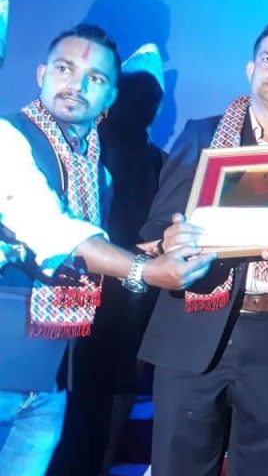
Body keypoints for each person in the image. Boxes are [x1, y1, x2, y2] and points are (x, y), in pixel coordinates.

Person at [0, 24, 214, 476]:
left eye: (94, 78)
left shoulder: (93, 164)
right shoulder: (8, 137)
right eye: (64, 69)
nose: (76, 85)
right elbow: (52, 231)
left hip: (53, 371)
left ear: (109, 95)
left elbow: (93, 246)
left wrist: (160, 248)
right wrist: (147, 270)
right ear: (41, 74)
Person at [139, 23, 268, 476]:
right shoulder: (201, 136)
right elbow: (157, 223)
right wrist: (169, 238)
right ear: (251, 69)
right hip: (194, 329)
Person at [47, 43, 169, 476]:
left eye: (151, 98)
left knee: (110, 419)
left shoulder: (162, 163)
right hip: (70, 303)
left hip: (131, 310)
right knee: (59, 417)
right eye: (134, 93)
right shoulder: (77, 149)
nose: (142, 105)